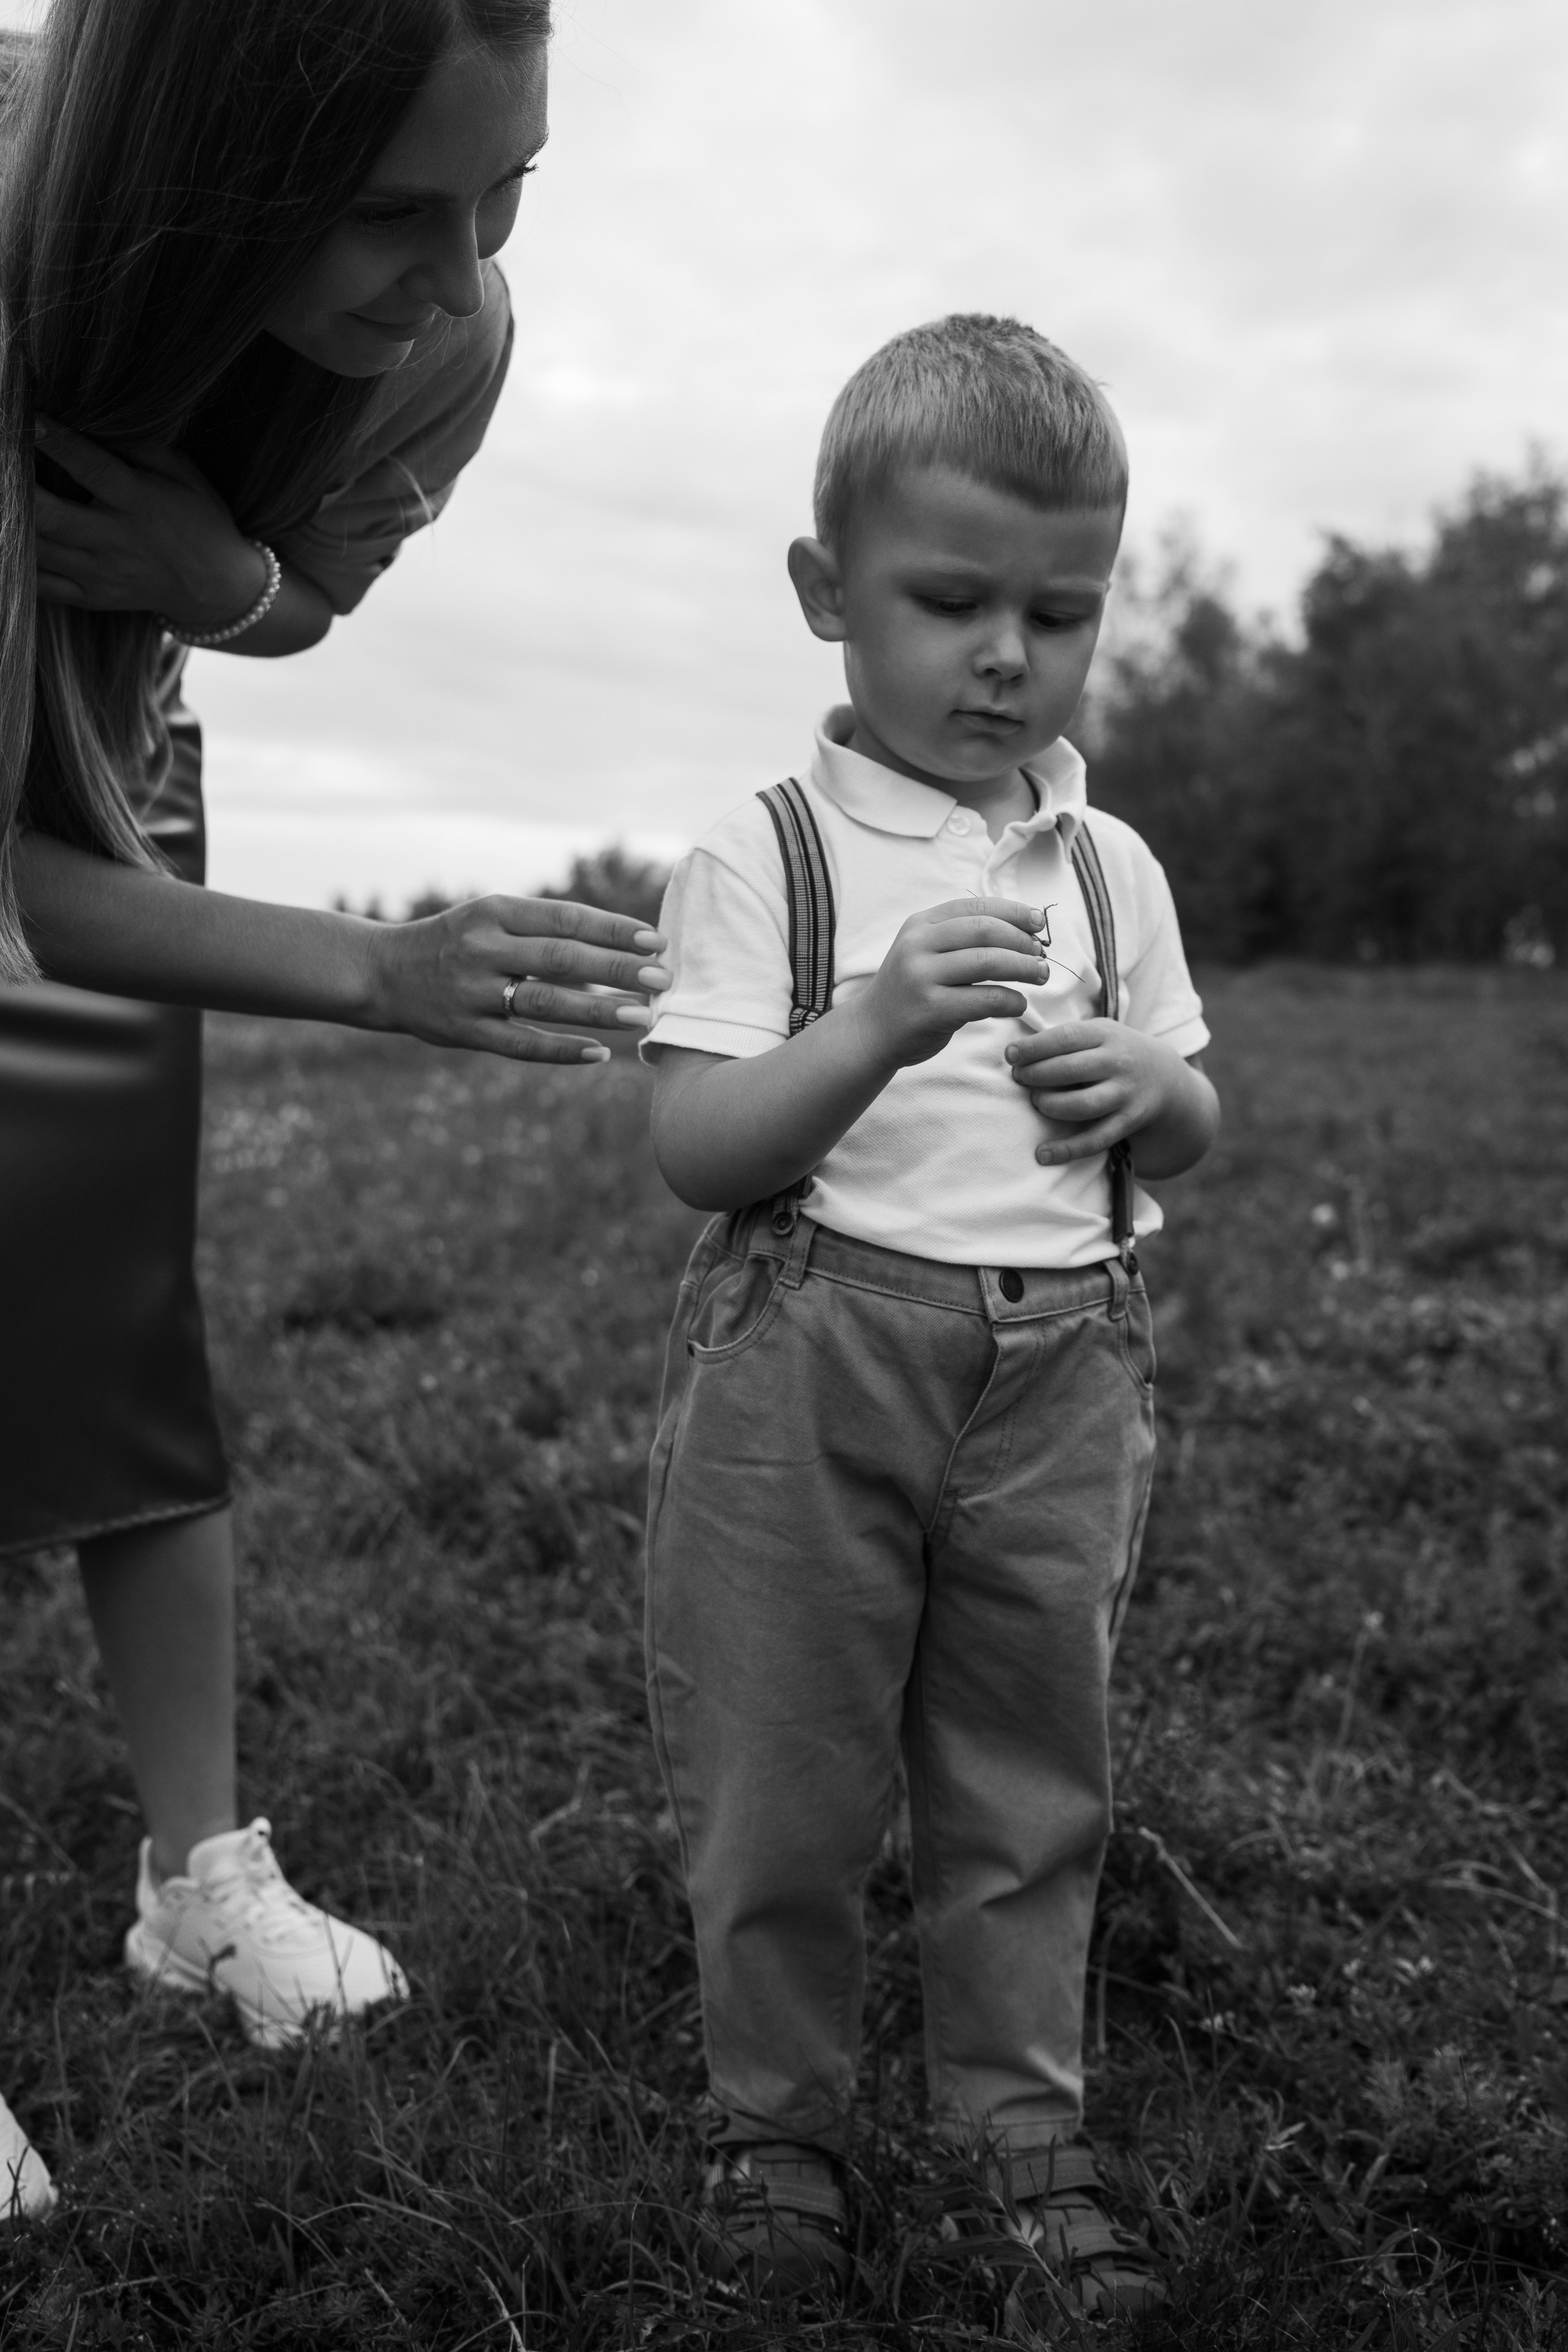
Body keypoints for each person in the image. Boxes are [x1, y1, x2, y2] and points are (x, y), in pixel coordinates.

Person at [0, 0, 670, 2225]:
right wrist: (376, 972)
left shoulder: (446, 330)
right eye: (396, 206)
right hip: (40, 811)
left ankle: (201, 1879)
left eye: (511, 193)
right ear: (207, 158)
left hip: (104, 753)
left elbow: (311, 603)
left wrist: (222, 584)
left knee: (112, 1319)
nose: (464, 266)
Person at [640, 315, 1220, 2310]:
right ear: (829, 595)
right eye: (952, 600)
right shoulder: (767, 853)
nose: (1006, 656)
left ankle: (1018, 2124)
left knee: (1028, 1769)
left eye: (1059, 613)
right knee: (783, 1766)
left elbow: (1193, 1109)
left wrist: (1163, 1099)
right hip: (817, 1349)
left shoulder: (1110, 865)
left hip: (1065, 1364)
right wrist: (878, 1017)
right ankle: (773, 2128)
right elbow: (705, 1144)